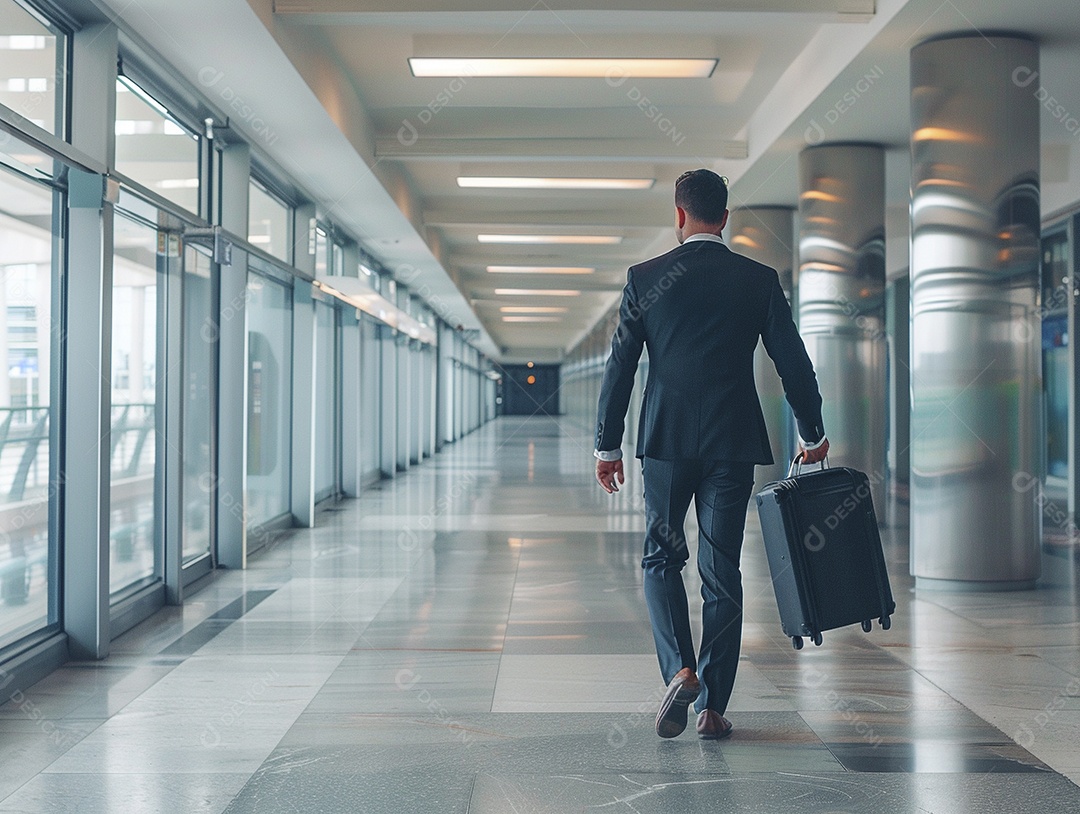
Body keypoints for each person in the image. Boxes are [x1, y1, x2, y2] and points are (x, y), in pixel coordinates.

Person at [593, 169, 828, 740]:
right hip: (732, 441)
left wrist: (608, 443)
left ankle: (680, 669)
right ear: (725, 218)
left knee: (661, 557)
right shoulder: (757, 279)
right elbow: (791, 358)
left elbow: (620, 366)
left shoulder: (644, 278)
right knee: (722, 569)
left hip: (666, 443)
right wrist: (812, 429)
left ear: (679, 217)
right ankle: (714, 708)